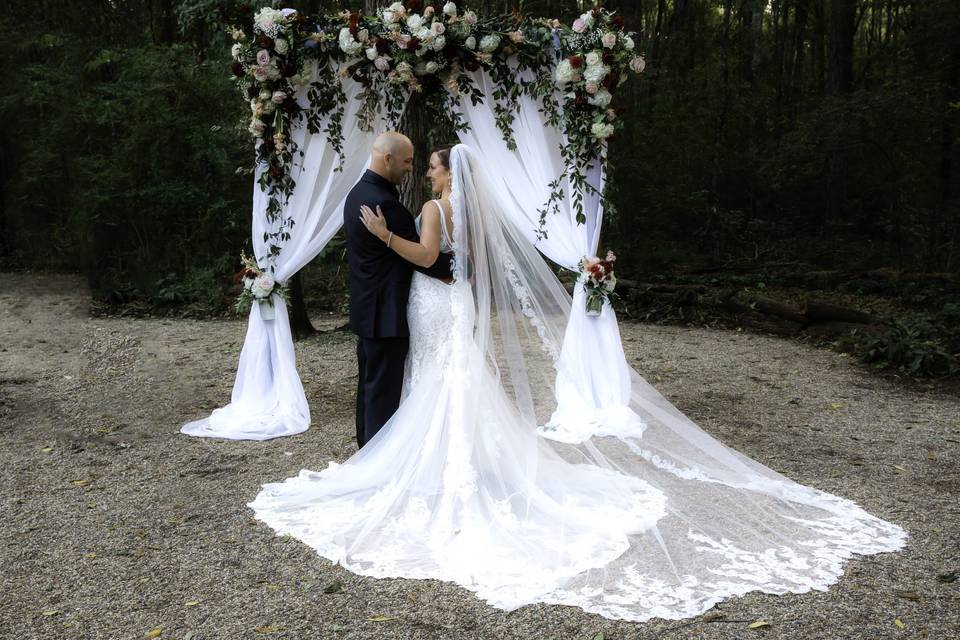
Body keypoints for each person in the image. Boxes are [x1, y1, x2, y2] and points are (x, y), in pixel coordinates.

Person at [250, 144, 905, 623]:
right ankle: (466, 465)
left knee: (435, 384)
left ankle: (434, 472)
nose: (426, 167)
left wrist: (383, 236)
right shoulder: (472, 210)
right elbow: (464, 268)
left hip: (430, 301)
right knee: (455, 384)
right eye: (422, 162)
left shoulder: (429, 208)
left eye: (433, 162)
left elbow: (425, 257)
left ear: (446, 172)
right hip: (456, 305)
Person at [341, 132, 453, 448]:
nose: (411, 169)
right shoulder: (386, 206)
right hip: (386, 314)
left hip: (368, 310)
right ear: (387, 158)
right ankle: (375, 460)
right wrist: (461, 269)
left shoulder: (357, 194)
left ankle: (365, 453)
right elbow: (426, 260)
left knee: (370, 389)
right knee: (383, 396)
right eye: (406, 162)